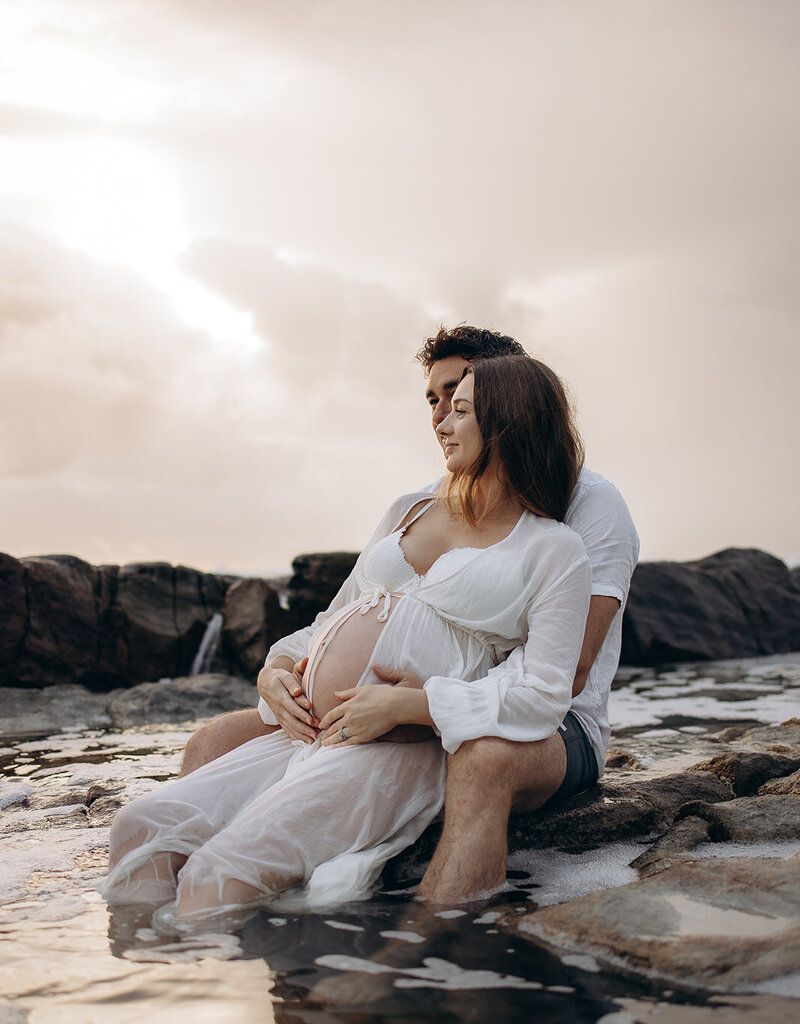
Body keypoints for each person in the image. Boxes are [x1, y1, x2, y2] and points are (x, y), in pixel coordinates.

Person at [101, 353, 591, 932]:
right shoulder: (410, 511)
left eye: (460, 411)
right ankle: (141, 995)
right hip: (311, 730)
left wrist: (413, 705)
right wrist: (277, 670)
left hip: (401, 746)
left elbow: (545, 694)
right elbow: (335, 616)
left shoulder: (553, 549)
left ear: (507, 423)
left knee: (218, 875)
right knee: (140, 826)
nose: (442, 423)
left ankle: (198, 991)